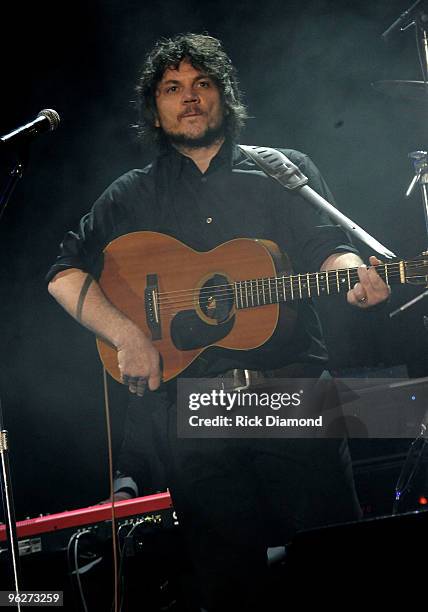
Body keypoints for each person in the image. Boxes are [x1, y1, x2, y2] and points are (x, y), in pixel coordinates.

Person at [47, 33, 390, 610]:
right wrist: (129, 335)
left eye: (202, 84)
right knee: (228, 586)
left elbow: (326, 250)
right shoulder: (130, 195)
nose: (189, 97)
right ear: (153, 109)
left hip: (292, 394)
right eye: (172, 88)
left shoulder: (282, 170)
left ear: (224, 95)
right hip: (197, 410)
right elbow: (63, 274)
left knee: (337, 569)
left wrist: (354, 270)